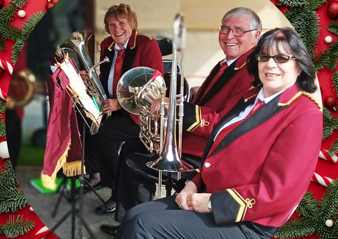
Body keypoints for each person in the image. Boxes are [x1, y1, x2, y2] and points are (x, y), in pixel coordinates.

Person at [112, 27, 323, 239]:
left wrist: (212, 202)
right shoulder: (250, 98)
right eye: (264, 56)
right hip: (207, 194)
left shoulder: (305, 113)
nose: (270, 64)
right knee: (133, 215)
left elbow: (278, 194)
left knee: (143, 225)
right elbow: (218, 153)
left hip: (246, 219)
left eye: (281, 58)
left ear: (299, 66)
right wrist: (192, 184)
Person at [99, 7, 262, 235]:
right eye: (225, 29)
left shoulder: (251, 71)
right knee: (131, 148)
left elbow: (226, 124)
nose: (229, 35)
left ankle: (136, 226)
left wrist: (178, 107)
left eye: (239, 30)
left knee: (134, 160)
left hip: (205, 153)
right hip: (192, 141)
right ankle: (127, 223)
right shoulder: (228, 63)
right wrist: (193, 97)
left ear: (256, 35)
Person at [82, 3, 164, 211]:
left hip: (141, 115)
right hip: (113, 108)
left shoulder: (146, 44)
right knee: (82, 117)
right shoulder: (107, 44)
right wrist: (88, 81)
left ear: (132, 24)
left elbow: (155, 86)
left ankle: (116, 192)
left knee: (104, 133)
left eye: (121, 23)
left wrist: (120, 103)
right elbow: (105, 77)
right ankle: (96, 173)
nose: (116, 28)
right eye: (111, 24)